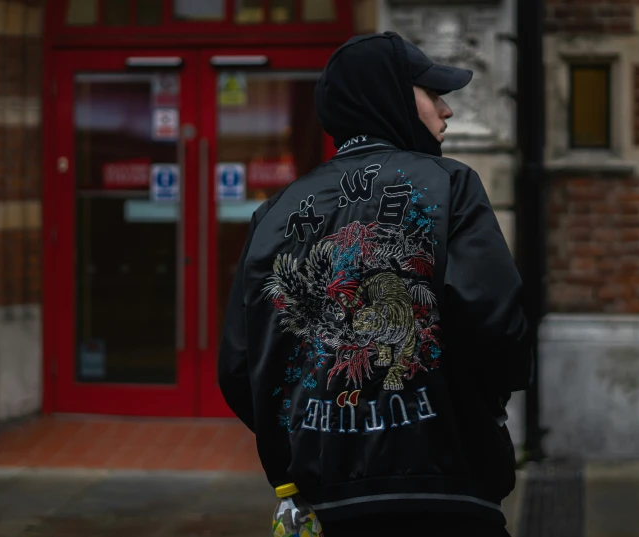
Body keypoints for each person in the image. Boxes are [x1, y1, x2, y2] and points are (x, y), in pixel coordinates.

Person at [218, 31, 532, 537]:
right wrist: (476, 418)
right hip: (444, 490)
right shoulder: (450, 186)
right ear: (390, 97)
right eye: (432, 93)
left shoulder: (274, 214)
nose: (446, 110)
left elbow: (238, 368)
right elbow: (498, 329)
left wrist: (307, 440)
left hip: (323, 498)